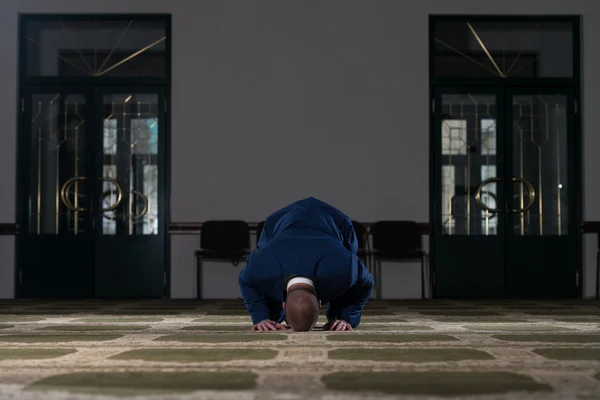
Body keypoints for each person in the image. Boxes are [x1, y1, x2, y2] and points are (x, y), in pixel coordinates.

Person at [238, 197, 374, 332]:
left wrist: (345, 318)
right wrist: (262, 318)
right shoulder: (262, 263)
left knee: (346, 284)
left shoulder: (345, 267)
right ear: (320, 303)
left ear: (284, 305)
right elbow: (245, 280)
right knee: (272, 315)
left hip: (335, 221)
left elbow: (366, 282)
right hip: (281, 222)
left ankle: (336, 312)